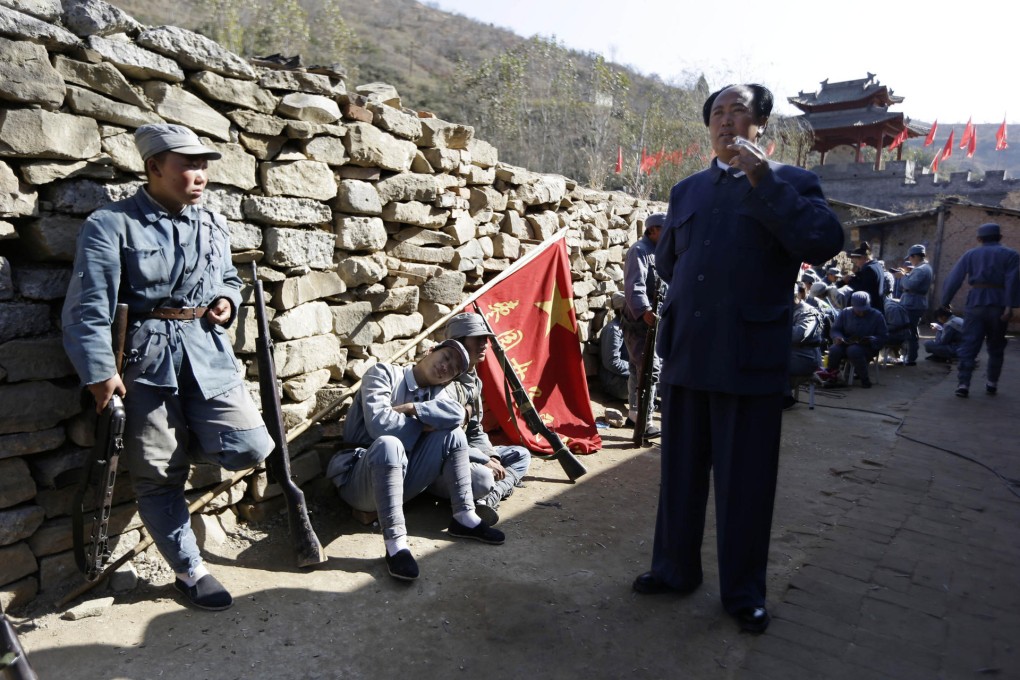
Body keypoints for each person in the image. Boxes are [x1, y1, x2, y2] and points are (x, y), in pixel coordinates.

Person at [633, 83, 843, 634]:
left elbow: (823, 241)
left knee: (745, 483)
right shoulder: (686, 191)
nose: (725, 121)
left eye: (738, 112)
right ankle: (674, 569)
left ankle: (743, 592)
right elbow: (667, 264)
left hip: (748, 358)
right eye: (717, 113)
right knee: (680, 476)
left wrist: (761, 178)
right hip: (686, 353)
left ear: (761, 126)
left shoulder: (792, 183)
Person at [61, 124, 273, 611]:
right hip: (145, 363)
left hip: (207, 354)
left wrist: (226, 298)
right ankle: (189, 570)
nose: (199, 174)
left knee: (250, 444)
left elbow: (226, 276)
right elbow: (87, 309)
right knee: (158, 477)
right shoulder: (110, 225)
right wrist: (99, 376)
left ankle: (169, 451)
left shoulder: (212, 223)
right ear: (154, 167)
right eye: (187, 164)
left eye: (203, 165)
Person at [325, 339, 505, 582]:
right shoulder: (383, 373)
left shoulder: (438, 393)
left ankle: (464, 517)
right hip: (361, 476)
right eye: (446, 357)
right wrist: (426, 424)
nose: (445, 367)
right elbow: (380, 425)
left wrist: (411, 408)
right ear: (430, 351)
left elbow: (457, 415)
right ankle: (396, 544)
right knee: (389, 443)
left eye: (452, 370)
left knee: (453, 434)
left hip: (404, 478)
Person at [432, 312, 532, 519]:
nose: (484, 344)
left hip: (466, 453)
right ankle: (489, 491)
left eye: (485, 338)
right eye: (477, 338)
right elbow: (441, 439)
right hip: (440, 461)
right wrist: (482, 460)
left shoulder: (474, 380)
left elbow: (475, 430)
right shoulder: (441, 381)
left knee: (520, 455)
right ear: (458, 343)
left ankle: (492, 495)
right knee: (482, 478)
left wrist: (490, 455)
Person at [941, 222, 1020, 397]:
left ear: (978, 239)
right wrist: (1009, 306)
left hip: (975, 302)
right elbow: (1013, 282)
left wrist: (945, 301)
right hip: (999, 305)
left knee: (969, 343)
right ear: (1000, 237)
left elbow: (954, 278)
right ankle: (991, 383)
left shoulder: (971, 254)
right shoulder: (1012, 255)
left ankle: (963, 384)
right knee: (996, 345)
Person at [622, 212, 666, 437]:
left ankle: (635, 415)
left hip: (651, 321)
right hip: (640, 322)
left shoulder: (659, 251)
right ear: (654, 230)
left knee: (637, 367)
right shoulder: (640, 251)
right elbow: (634, 285)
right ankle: (645, 422)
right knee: (650, 368)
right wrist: (645, 310)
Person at [824, 291, 889, 388]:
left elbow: (883, 336)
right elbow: (835, 329)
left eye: (864, 309)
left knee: (854, 350)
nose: (861, 312)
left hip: (867, 347)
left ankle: (865, 379)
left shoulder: (877, 316)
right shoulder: (845, 312)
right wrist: (837, 337)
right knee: (834, 349)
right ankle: (832, 377)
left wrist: (871, 339)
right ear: (852, 305)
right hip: (846, 343)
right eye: (858, 310)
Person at [894, 244, 933, 366]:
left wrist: (902, 276)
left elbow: (909, 285)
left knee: (909, 332)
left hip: (913, 303)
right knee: (911, 330)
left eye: (910, 258)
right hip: (914, 302)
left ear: (915, 256)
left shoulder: (921, 269)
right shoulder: (924, 268)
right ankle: (909, 357)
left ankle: (910, 358)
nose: (910, 260)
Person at [599, 292, 631, 402]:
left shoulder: (630, 327)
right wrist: (637, 369)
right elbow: (612, 362)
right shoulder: (614, 330)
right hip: (615, 382)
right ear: (622, 310)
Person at [846, 242, 885, 313]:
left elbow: (863, 289)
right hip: (877, 307)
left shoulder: (869, 269)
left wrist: (850, 281)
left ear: (863, 258)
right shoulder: (877, 265)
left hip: (870, 309)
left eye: (856, 262)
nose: (857, 265)